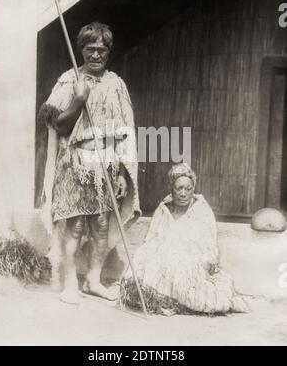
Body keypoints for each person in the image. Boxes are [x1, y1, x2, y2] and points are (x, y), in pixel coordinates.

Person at [38, 22, 140, 304]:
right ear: (81, 50)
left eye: (102, 50)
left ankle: (93, 279)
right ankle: (71, 283)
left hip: (106, 164)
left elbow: (123, 131)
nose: (96, 55)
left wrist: (120, 171)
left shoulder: (115, 84)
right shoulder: (69, 80)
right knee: (75, 227)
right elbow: (57, 124)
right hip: (74, 163)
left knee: (101, 226)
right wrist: (79, 100)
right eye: (90, 49)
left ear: (108, 51)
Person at [120, 163, 249, 315]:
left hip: (192, 259)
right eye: (178, 188)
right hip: (164, 258)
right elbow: (151, 239)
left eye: (188, 189)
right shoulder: (164, 210)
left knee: (184, 272)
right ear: (171, 188)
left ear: (193, 189)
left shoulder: (202, 211)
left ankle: (178, 298)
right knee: (144, 257)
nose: (183, 194)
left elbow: (209, 246)